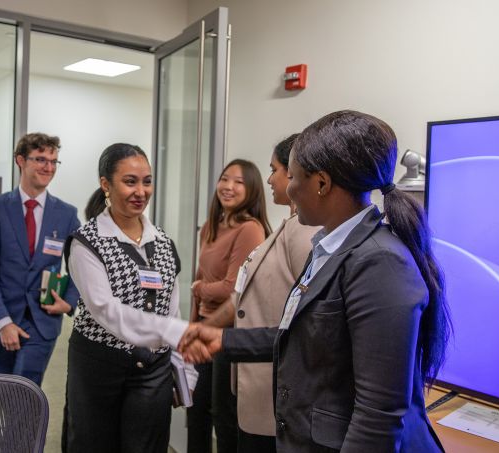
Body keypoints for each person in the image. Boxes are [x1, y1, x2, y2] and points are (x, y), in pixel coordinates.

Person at [180, 110, 451, 452]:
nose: (287, 188)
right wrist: (223, 340)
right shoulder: (328, 246)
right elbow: (301, 336)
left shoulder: (380, 261)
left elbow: (378, 416)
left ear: (322, 184)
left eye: (292, 177)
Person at [62, 143, 198, 453]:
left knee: (147, 446)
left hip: (152, 369)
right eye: (130, 181)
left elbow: (171, 309)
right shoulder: (87, 242)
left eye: (146, 181)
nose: (141, 191)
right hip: (99, 368)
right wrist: (171, 332)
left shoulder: (163, 242)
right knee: (93, 444)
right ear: (106, 185)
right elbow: (105, 310)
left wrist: (181, 364)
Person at [205, 135, 320, 453]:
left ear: (295, 173)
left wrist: (201, 293)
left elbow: (305, 319)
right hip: (252, 372)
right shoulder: (289, 226)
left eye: (275, 170)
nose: (270, 178)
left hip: (274, 379)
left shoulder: (305, 234)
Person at [0, 132, 80, 386]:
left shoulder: (66, 214)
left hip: (42, 322)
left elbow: (83, 264)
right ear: (20, 160)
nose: (49, 167)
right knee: (1, 391)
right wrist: (3, 323)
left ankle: (25, 428)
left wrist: (69, 302)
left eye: (54, 161)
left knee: (27, 394)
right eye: (41, 159)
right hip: (0, 320)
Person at [188, 159, 271, 453]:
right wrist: (193, 325)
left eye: (239, 182)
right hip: (203, 325)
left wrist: (200, 289)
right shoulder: (210, 226)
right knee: (195, 411)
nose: (229, 187)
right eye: (225, 179)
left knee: (223, 415)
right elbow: (200, 281)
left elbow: (231, 288)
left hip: (228, 334)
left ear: (251, 190)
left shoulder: (251, 229)